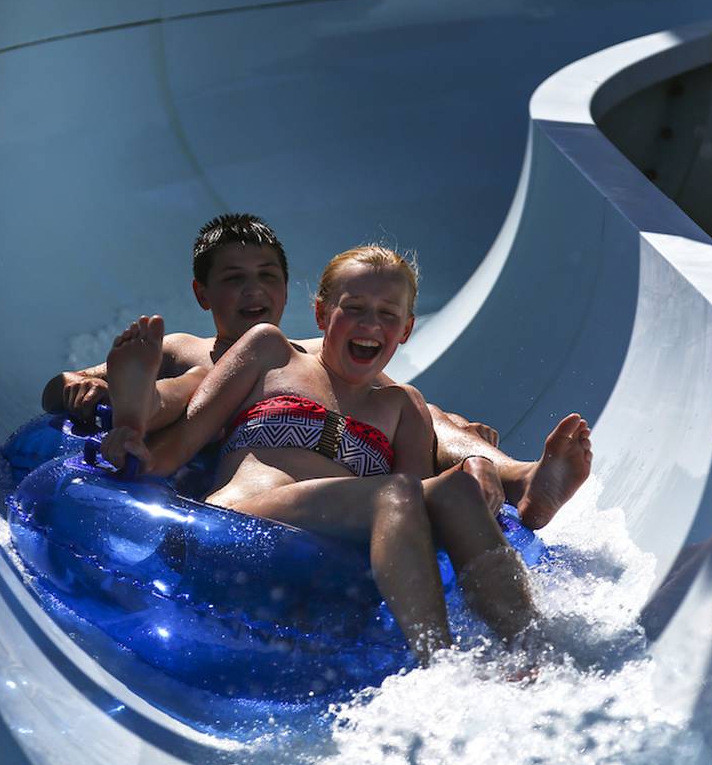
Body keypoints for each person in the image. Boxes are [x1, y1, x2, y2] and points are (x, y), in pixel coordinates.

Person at [101, 247, 535, 665]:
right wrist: (135, 453)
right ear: (323, 313)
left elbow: (421, 511)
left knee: (455, 489)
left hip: (337, 548)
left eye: (388, 314)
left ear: (405, 329)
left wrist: (476, 466)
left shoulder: (403, 406)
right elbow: (183, 441)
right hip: (240, 523)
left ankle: (532, 647)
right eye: (356, 308)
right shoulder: (269, 351)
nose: (371, 324)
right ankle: (441, 664)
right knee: (394, 493)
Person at [42, 213, 592, 529]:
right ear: (202, 293)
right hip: (205, 425)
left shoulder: (307, 353)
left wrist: (460, 430)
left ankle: (519, 474)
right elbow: (59, 386)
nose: (253, 290)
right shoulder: (187, 343)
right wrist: (79, 388)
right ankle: (136, 408)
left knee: (408, 399)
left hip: (299, 435)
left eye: (267, 276)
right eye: (234, 279)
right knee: (185, 384)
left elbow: (399, 410)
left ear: (289, 290)